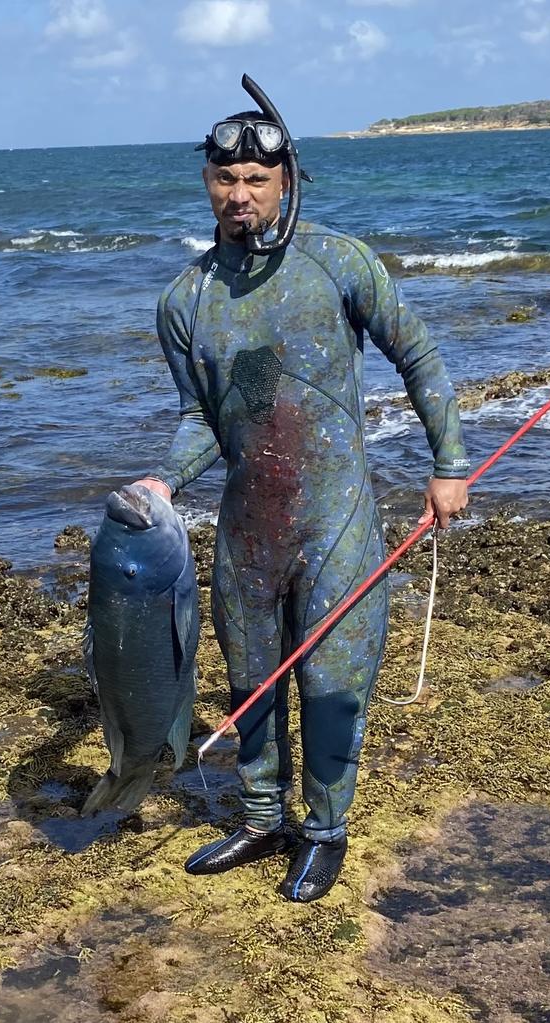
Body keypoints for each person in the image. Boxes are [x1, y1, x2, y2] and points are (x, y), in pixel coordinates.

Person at [134, 76, 469, 903]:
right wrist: (161, 481)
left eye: (256, 179)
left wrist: (449, 464)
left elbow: (418, 355)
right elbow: (211, 419)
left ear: (288, 181)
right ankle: (259, 817)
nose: (238, 193)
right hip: (250, 525)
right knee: (251, 676)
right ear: (206, 181)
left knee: (331, 684)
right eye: (224, 178)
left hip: (337, 519)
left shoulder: (339, 262)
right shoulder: (189, 300)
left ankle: (323, 829)